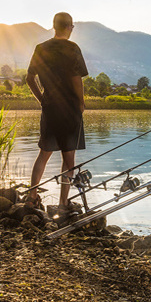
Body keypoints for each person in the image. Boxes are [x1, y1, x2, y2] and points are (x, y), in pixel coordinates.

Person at [26, 12, 87, 210]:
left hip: (50, 107)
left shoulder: (41, 48)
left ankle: (32, 197)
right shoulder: (72, 48)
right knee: (68, 158)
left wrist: (42, 100)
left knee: (43, 153)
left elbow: (29, 78)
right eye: (72, 27)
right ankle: (62, 203)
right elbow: (76, 79)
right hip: (69, 108)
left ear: (54, 26)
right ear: (69, 27)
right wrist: (81, 102)